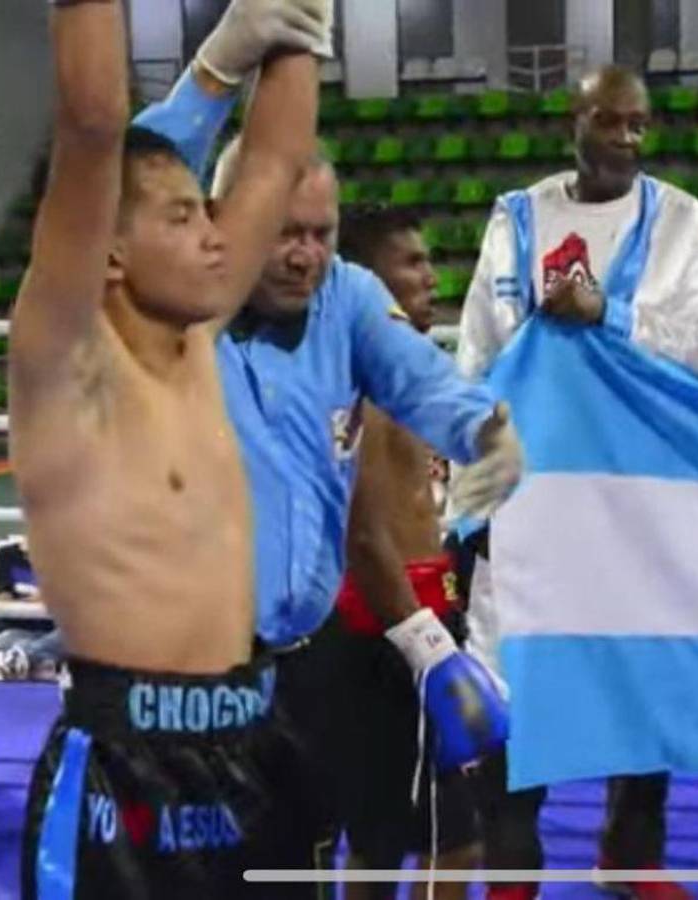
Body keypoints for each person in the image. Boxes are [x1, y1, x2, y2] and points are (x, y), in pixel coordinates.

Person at [137, 68, 519, 878]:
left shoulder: (348, 299)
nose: (305, 255)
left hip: (302, 667)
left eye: (321, 233)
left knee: (301, 863)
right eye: (283, 232)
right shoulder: (169, 303)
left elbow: (422, 377)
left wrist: (487, 431)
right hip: (181, 673)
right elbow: (130, 180)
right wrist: (218, 68)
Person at [9, 1, 331, 896]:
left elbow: (276, 160)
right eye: (185, 216)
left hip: (254, 746)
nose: (216, 235)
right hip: (123, 775)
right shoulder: (64, 357)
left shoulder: (196, 340)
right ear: (110, 252)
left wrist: (301, 24)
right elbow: (92, 123)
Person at [455, 63, 698, 900]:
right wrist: (469, 466)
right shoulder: (517, 218)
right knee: (511, 675)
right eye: (610, 121)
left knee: (640, 673)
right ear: (573, 120)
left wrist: (609, 312)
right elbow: (478, 350)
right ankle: (510, 865)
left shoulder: (680, 220)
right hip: (528, 491)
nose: (628, 138)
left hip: (637, 493)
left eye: (639, 123)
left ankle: (630, 856)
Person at [285, 204, 481, 898]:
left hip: (397, 615)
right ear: (370, 281)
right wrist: (428, 645)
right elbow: (361, 530)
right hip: (393, 621)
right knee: (453, 841)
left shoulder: (399, 371)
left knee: (378, 837)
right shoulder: (362, 378)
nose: (432, 277)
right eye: (413, 262)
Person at [0, 536, 64, 680]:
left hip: (52, 637)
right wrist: (37, 601)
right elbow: (1, 603)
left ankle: (23, 659)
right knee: (11, 646)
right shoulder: (6, 556)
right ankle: (36, 662)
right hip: (13, 634)